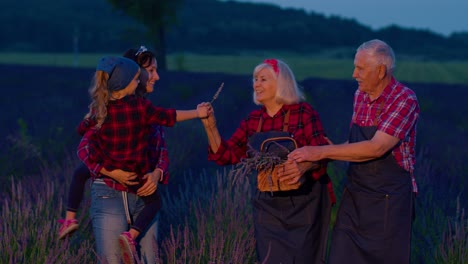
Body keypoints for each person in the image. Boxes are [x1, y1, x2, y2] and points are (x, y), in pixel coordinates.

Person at [288, 39, 420, 263]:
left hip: (388, 201)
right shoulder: (360, 95)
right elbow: (355, 143)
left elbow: (377, 147)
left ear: (380, 71)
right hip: (355, 195)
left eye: (360, 68)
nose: (353, 74)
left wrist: (321, 152)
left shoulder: (404, 99)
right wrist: (326, 151)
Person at [78, 55, 211, 264]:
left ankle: (130, 236)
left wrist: (153, 173)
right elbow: (170, 116)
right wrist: (198, 112)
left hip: (124, 180)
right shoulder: (140, 108)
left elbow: (83, 142)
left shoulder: (100, 110)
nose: (142, 80)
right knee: (155, 204)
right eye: (137, 77)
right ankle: (131, 236)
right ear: (126, 82)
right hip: (127, 183)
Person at [201, 58, 335, 264]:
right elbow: (225, 155)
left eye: (263, 79)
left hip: (304, 204)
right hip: (268, 206)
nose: (256, 84)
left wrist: (303, 166)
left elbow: (322, 152)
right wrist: (210, 126)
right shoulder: (253, 121)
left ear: (282, 83)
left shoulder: (303, 113)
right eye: (255, 79)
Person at [58, 47, 170, 242]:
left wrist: (158, 172)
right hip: (112, 192)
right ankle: (70, 218)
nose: (157, 77)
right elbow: (85, 147)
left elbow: (161, 149)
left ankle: (70, 218)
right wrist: (109, 171)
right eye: (151, 71)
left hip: (142, 189)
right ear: (134, 73)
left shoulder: (147, 109)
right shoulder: (112, 109)